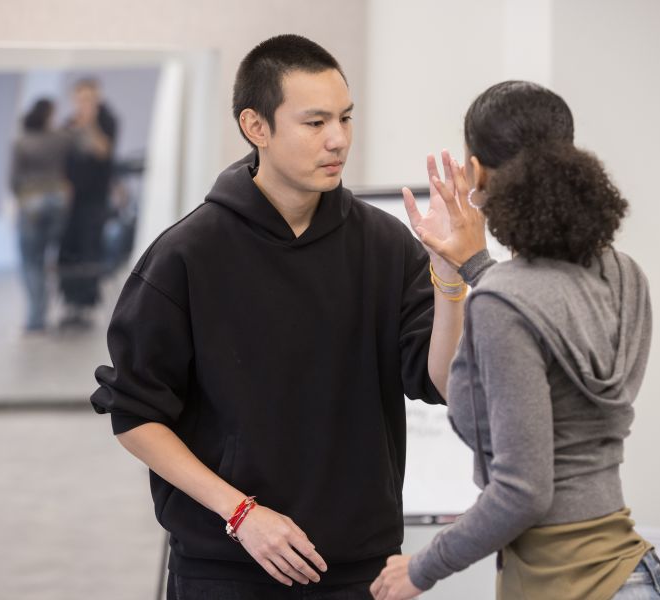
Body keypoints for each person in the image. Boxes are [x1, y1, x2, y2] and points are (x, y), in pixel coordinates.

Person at [90, 35, 485, 599]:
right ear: (256, 126)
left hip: (360, 568)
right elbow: (135, 415)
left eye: (345, 118)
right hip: (225, 568)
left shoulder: (385, 245)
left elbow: (444, 382)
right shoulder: (187, 254)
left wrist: (449, 279)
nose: (338, 139)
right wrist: (241, 513)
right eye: (315, 122)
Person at [371, 81, 660, 600]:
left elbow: (523, 492)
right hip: (635, 574)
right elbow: (526, 336)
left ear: (476, 173)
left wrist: (421, 568)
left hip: (565, 583)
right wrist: (463, 270)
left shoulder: (504, 301)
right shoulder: (625, 276)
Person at [57, 77, 117, 329]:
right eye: (80, 99)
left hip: (95, 199)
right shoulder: (68, 124)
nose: (83, 104)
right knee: (68, 250)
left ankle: (88, 303)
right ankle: (70, 301)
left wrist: (90, 124)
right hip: (73, 200)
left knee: (90, 248)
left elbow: (104, 151)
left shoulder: (107, 120)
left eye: (88, 99)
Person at [9, 97, 70, 332]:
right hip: (58, 202)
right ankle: (46, 311)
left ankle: (36, 318)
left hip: (32, 204)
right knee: (48, 260)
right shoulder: (60, 139)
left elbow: (14, 181)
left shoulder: (22, 142)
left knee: (31, 262)